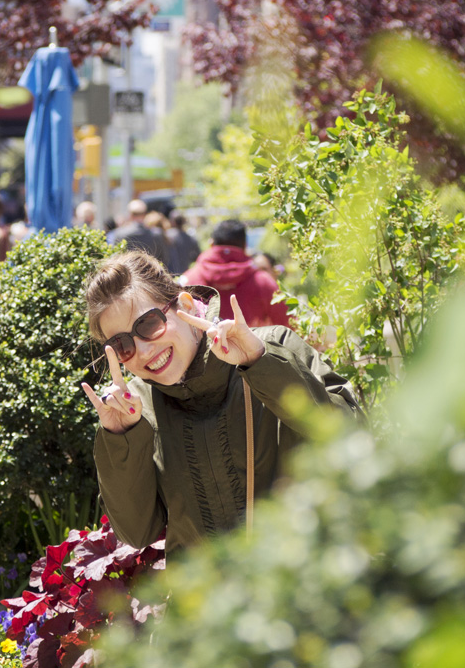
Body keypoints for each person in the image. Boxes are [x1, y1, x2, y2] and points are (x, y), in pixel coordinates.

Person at [81, 251, 363, 556]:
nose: (144, 351)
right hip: (207, 602)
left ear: (185, 305)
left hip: (304, 585)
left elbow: (350, 438)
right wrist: (122, 440)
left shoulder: (268, 346)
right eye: (122, 345)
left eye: (149, 325)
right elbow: (137, 533)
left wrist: (260, 363)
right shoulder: (135, 409)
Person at [181, 219, 290, 327]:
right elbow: (290, 327)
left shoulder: (188, 280)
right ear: (245, 246)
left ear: (211, 243)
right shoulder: (263, 282)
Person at [110, 199, 168, 265]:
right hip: (151, 272)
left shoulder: (120, 234)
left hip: (128, 272)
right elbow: (164, 259)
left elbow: (115, 258)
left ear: (130, 215)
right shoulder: (157, 234)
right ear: (145, 214)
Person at [166, 209, 200, 275]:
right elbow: (197, 256)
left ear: (172, 222)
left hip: (169, 274)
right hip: (185, 274)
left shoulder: (166, 236)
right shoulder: (191, 238)